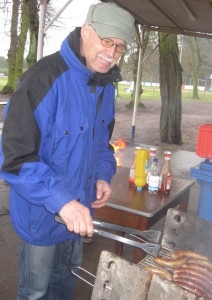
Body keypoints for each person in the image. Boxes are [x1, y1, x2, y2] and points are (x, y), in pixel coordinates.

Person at [0, 2, 134, 299]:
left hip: (79, 213)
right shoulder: (42, 79)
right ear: (86, 31)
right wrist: (61, 201)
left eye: (120, 47)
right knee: (36, 291)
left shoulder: (106, 86)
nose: (111, 54)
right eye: (106, 41)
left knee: (64, 287)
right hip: (42, 215)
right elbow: (15, 159)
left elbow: (101, 143)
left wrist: (101, 174)